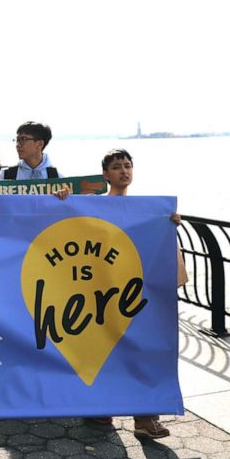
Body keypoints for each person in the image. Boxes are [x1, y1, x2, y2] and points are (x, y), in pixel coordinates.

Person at [90, 148, 174, 439]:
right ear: (105, 174)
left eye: (127, 166)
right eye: (116, 167)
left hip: (133, 292)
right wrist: (63, 200)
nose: (123, 171)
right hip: (99, 292)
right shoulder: (92, 206)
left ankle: (145, 418)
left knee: (141, 349)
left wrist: (168, 225)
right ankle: (101, 408)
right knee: (104, 350)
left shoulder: (147, 209)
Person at [0, 122, 64, 185]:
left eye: (23, 139)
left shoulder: (58, 178)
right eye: (17, 140)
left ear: (40, 144)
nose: (18, 145)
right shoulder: (5, 175)